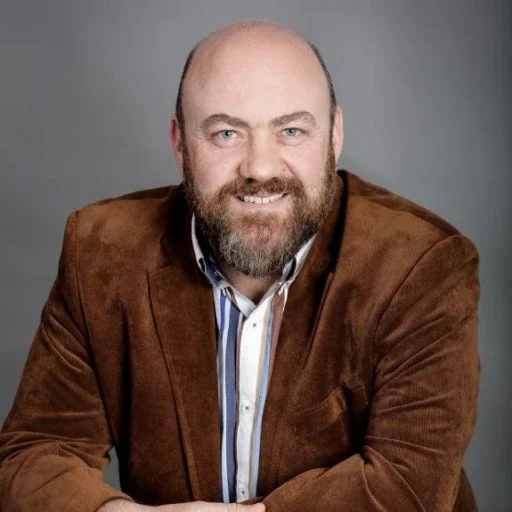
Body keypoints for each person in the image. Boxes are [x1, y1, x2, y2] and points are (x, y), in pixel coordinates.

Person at [0, 19, 480, 512]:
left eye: (291, 130)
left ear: (334, 135)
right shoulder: (100, 252)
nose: (260, 168)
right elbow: (34, 452)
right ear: (180, 142)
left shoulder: (421, 265)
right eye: (227, 133)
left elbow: (409, 489)